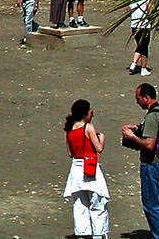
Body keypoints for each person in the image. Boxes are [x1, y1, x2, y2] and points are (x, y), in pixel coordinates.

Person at [121, 83, 159, 239]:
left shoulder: (152, 116)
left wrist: (132, 137)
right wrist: (138, 127)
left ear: (146, 98)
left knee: (152, 205)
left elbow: (149, 144)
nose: (137, 102)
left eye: (138, 99)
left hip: (152, 165)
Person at [63, 99, 109, 239]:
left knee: (80, 205)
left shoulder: (70, 129)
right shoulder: (88, 127)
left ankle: (82, 234)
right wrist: (102, 138)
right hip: (90, 167)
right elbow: (99, 148)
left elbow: (70, 153)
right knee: (97, 203)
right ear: (85, 114)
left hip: (76, 170)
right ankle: (98, 235)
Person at [128, 0, 152, 76]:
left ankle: (133, 63)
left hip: (134, 25)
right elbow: (150, 10)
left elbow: (129, 10)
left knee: (140, 45)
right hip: (143, 26)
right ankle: (143, 68)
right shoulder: (146, 0)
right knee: (144, 47)